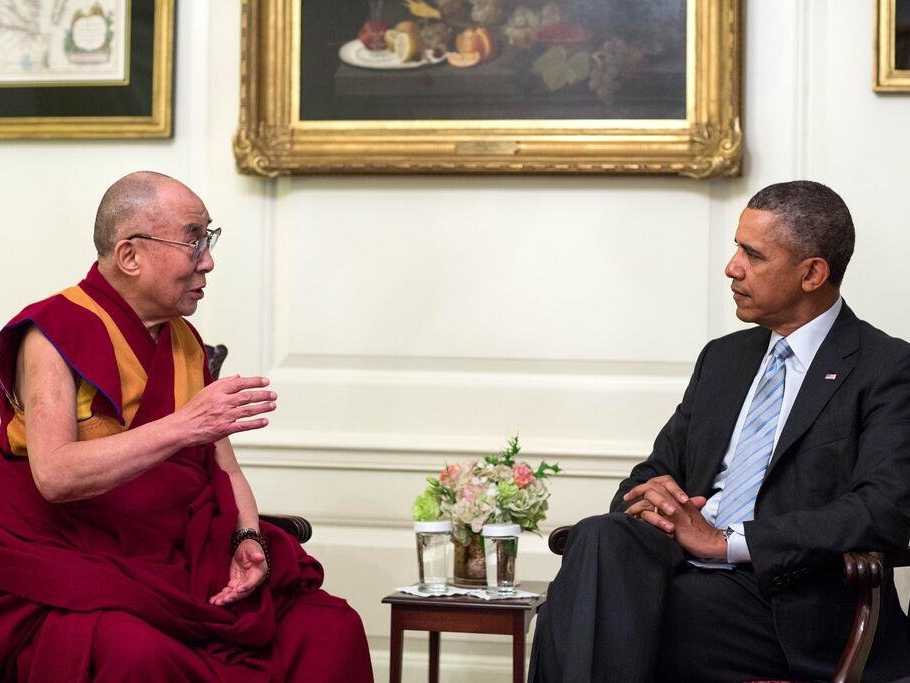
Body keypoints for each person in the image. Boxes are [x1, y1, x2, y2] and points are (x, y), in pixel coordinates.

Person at [529, 181, 910, 682]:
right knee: (601, 537)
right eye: (736, 249)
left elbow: (884, 510)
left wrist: (726, 542)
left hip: (788, 601)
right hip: (678, 567)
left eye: (752, 255)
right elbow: (646, 478)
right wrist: (657, 501)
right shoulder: (724, 359)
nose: (732, 267)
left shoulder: (886, 367)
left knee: (597, 608)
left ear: (812, 273)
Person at [0, 172, 374, 682]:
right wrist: (186, 424)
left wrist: (248, 538)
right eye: (194, 239)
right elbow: (55, 475)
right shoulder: (53, 333)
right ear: (130, 255)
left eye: (208, 239)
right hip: (85, 562)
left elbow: (227, 471)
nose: (208, 259)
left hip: (180, 560)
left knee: (330, 628)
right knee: (134, 654)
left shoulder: (184, 342)